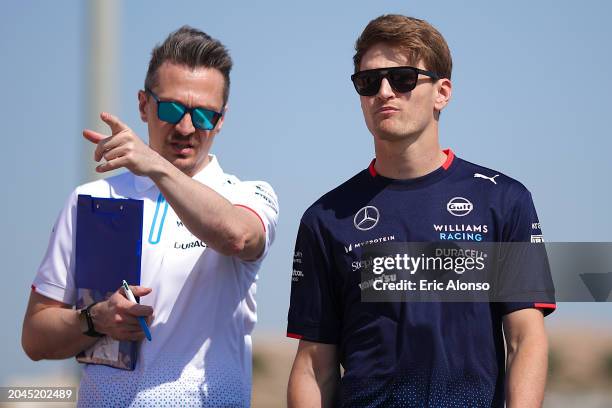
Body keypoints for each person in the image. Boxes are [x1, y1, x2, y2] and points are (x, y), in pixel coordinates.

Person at [286, 14, 555, 407]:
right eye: (368, 82)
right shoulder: (325, 218)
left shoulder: (504, 201)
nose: (383, 92)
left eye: (402, 79)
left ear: (442, 92)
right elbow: (314, 367)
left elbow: (525, 340)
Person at [22, 26, 278, 407]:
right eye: (172, 109)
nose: (186, 128)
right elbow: (35, 338)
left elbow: (236, 237)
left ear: (221, 120)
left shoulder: (249, 195)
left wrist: (155, 166)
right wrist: (94, 320)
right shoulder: (91, 199)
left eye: (205, 116)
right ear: (144, 105)